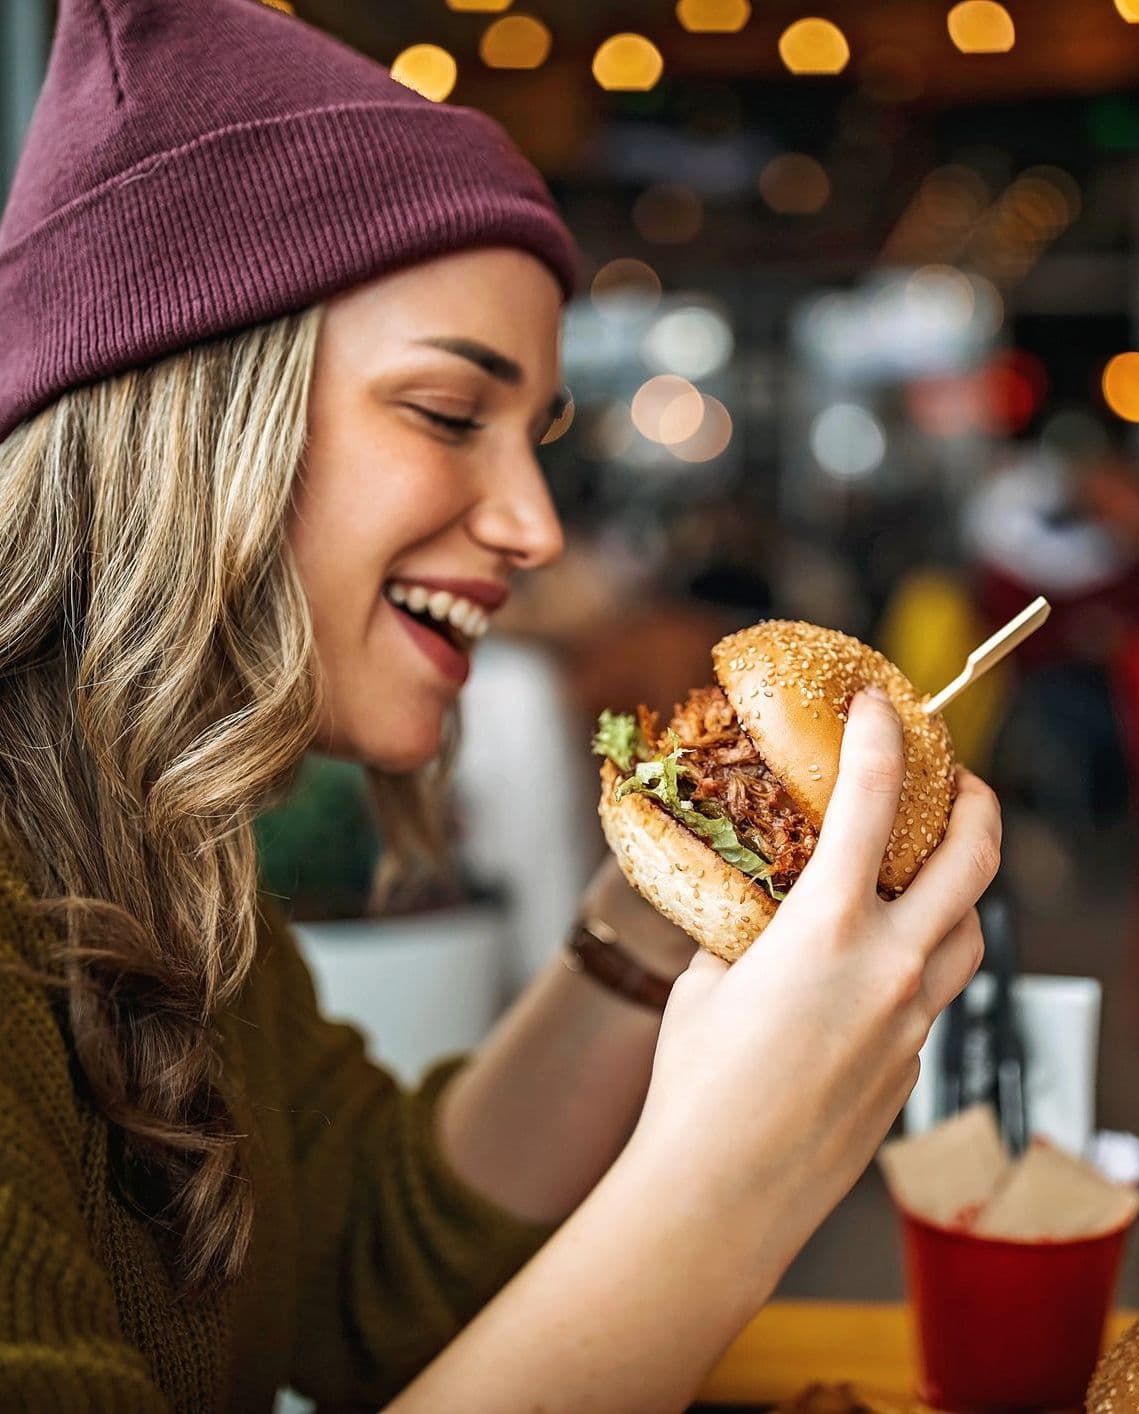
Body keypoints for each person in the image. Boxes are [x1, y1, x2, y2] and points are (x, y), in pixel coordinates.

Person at [0, 2, 1001, 1411]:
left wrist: (645, 925)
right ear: (191, 409)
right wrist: (737, 1175)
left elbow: (372, 1267)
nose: (534, 527)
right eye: (445, 413)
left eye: (533, 440)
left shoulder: (144, 855)